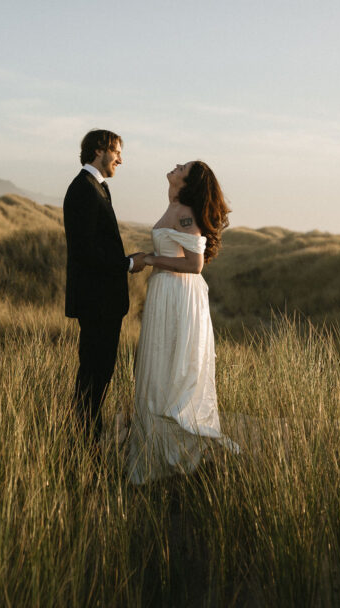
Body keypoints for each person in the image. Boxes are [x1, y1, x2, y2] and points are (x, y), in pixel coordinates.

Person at [127, 160, 238, 484]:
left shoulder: (185, 210)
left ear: (187, 181)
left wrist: (148, 259)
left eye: (182, 167)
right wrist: (150, 258)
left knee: (171, 373)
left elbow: (195, 263)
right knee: (156, 369)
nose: (175, 165)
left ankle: (184, 458)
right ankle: (155, 457)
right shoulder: (174, 206)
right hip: (165, 292)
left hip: (178, 296)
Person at [64, 129, 146, 445]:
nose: (121, 160)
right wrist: (127, 264)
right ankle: (86, 444)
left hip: (103, 303)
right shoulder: (84, 190)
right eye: (117, 153)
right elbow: (86, 252)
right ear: (100, 150)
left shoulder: (94, 188)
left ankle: (88, 438)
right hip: (96, 303)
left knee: (99, 375)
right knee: (93, 377)